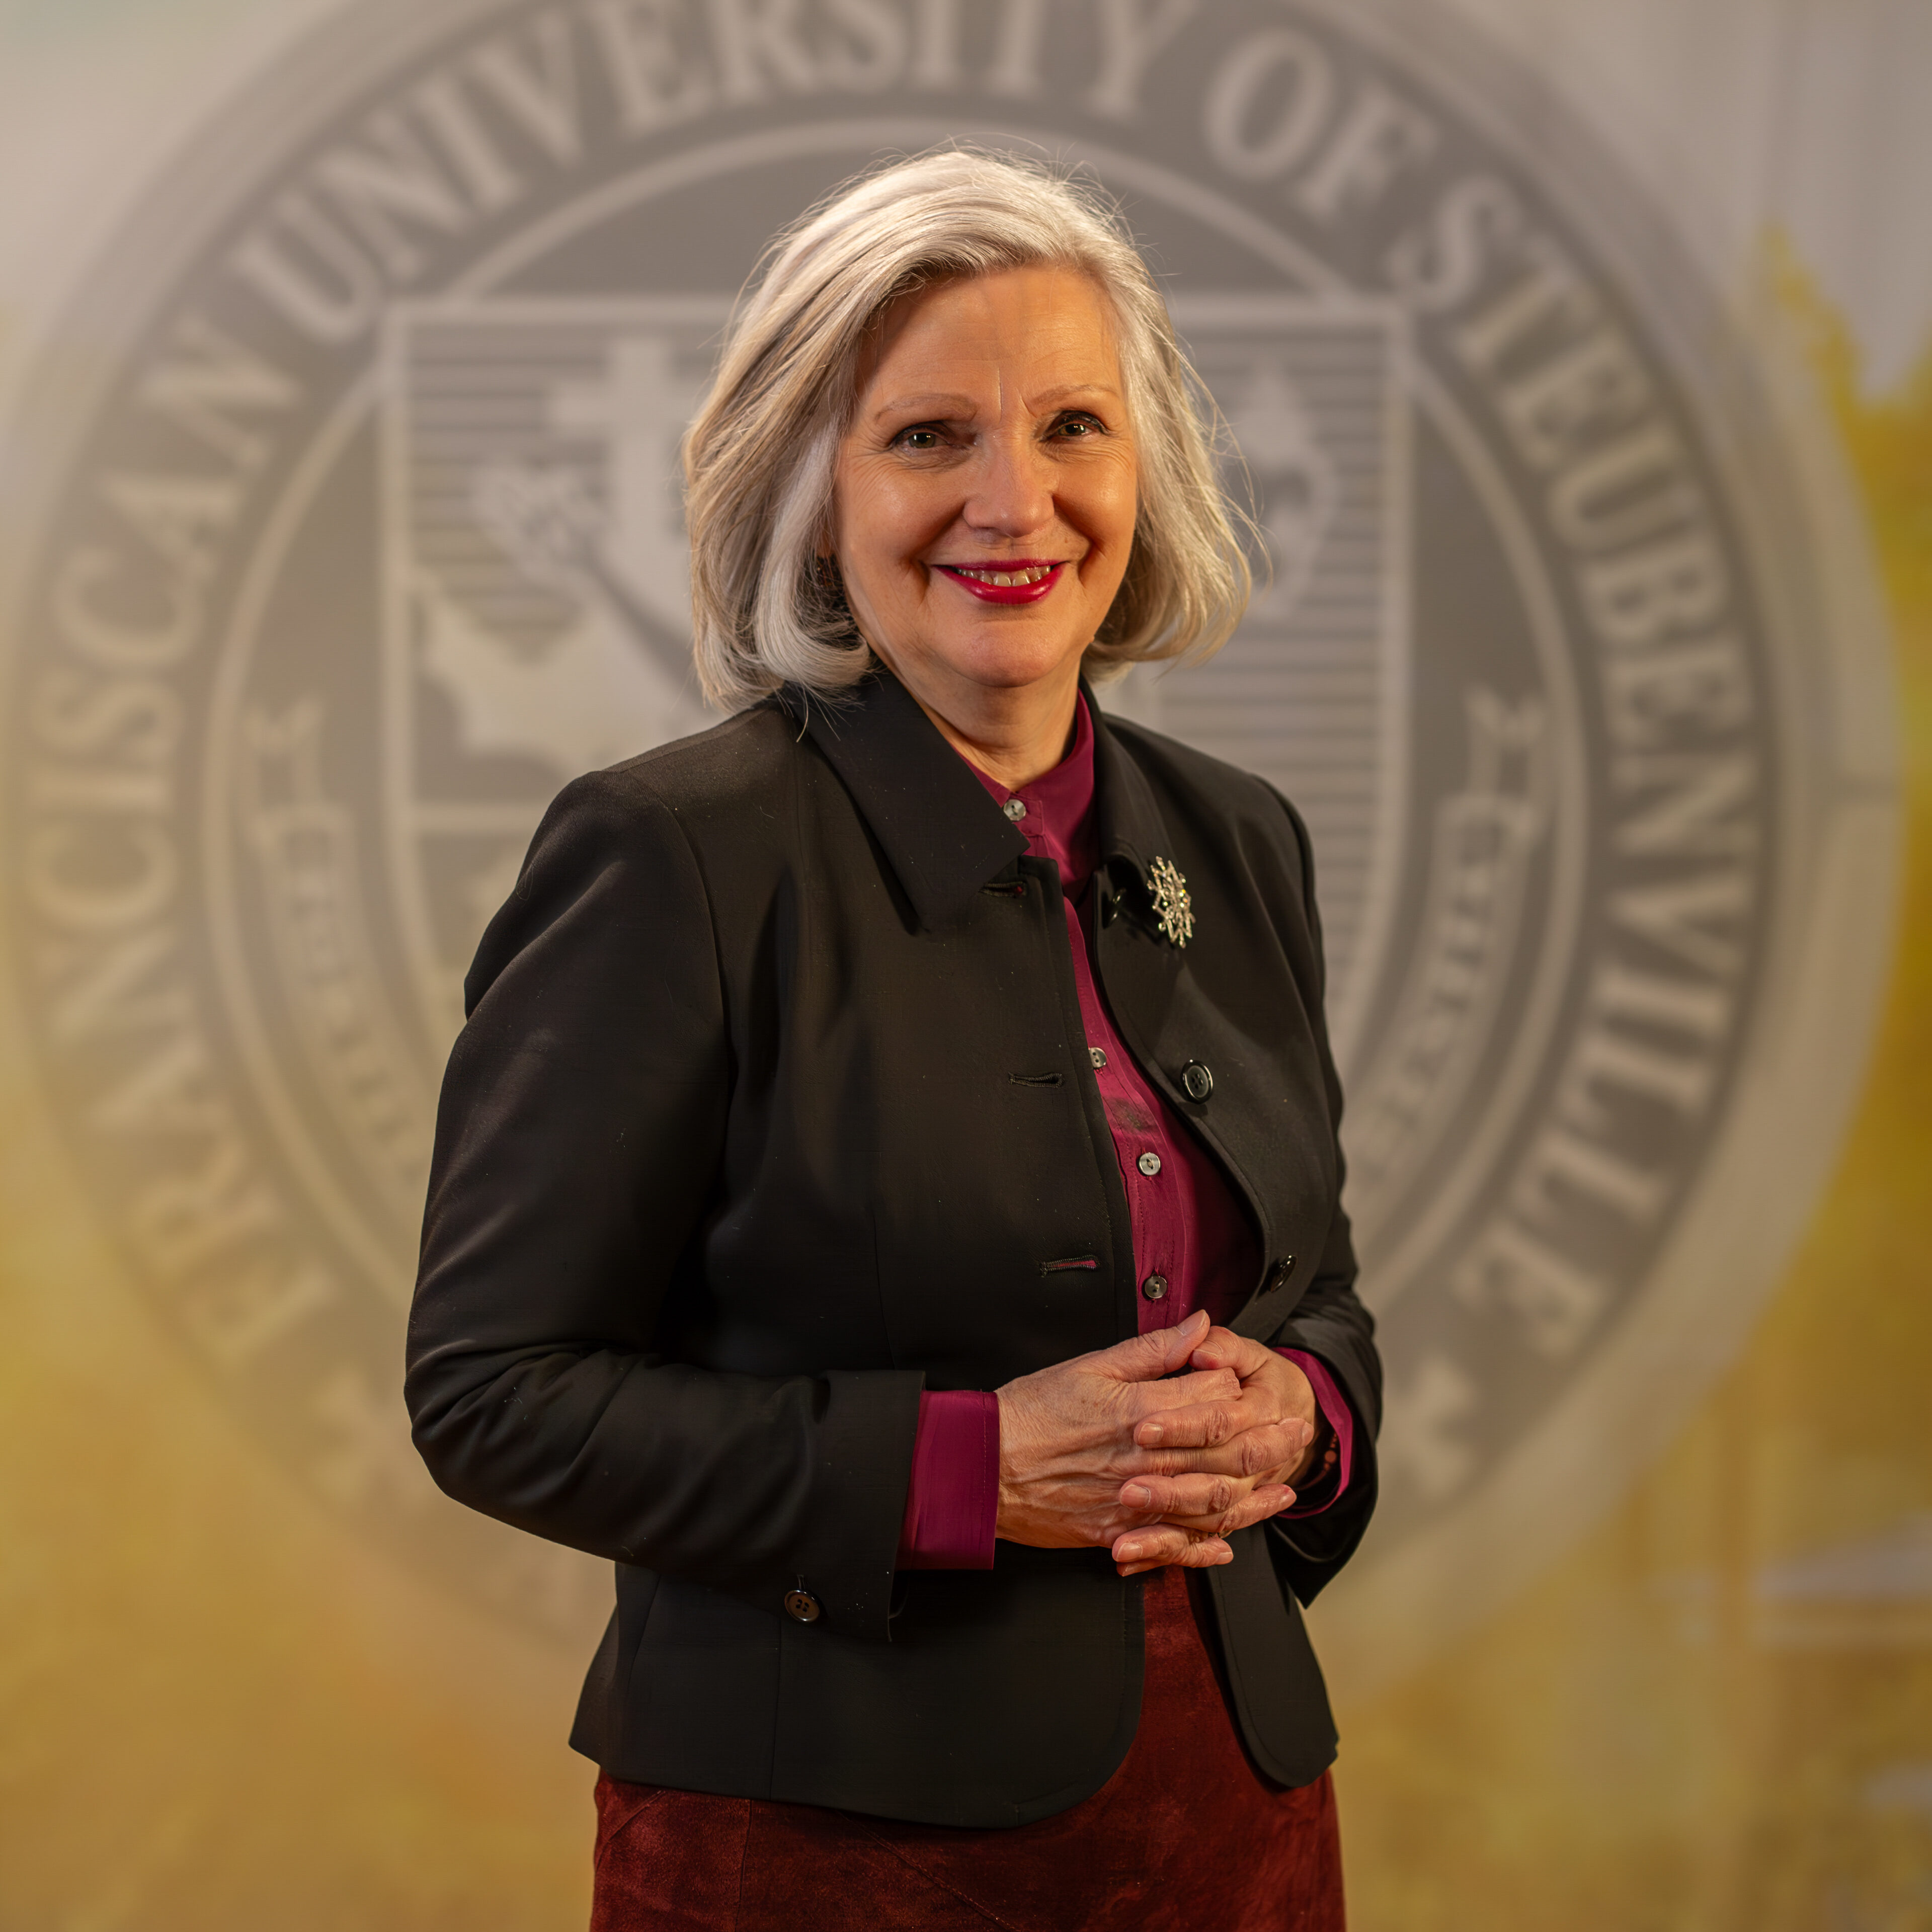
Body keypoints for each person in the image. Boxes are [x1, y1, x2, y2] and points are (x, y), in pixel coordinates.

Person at [407, 149, 1380, 1931]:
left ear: (1143, 471)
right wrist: (968, 1472)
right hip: (822, 1844)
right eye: (930, 436)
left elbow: (1316, 1294)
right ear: (811, 497)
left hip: (1234, 1823)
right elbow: (494, 1395)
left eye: (1074, 426)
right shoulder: (672, 854)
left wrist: (1302, 1419)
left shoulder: (1238, 839)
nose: (1019, 501)